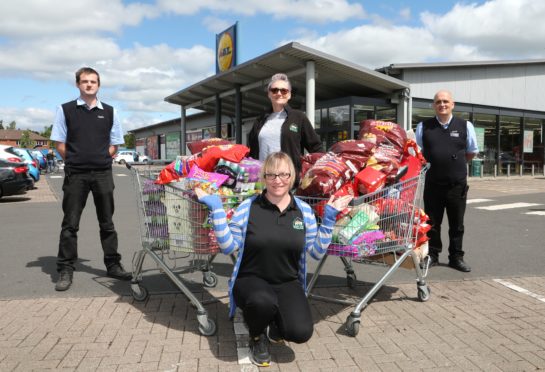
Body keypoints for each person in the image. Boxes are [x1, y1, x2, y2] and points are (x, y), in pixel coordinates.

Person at [195, 152, 352, 367]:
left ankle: (273, 323)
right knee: (262, 302)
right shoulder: (249, 208)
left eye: (284, 175)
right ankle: (257, 337)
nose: (278, 180)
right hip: (251, 279)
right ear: (264, 177)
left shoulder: (303, 211)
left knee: (300, 332)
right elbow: (228, 246)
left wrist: (329, 218)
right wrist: (216, 210)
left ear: (292, 176)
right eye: (271, 175)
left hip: (287, 282)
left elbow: (315, 252)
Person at [50, 67, 132, 291]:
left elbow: (115, 143)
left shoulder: (110, 112)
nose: (89, 85)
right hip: (76, 175)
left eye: (93, 81)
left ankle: (113, 265)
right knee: (70, 224)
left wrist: (103, 156)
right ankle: (66, 269)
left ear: (98, 85)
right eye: (84, 81)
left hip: (103, 174)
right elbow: (59, 142)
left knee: (107, 223)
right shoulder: (65, 109)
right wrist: (76, 160)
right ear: (77, 84)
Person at [415, 90, 479, 272]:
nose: (442, 104)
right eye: (438, 102)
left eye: (445, 101)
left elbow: (471, 151)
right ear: (433, 105)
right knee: (432, 223)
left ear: (452, 104)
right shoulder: (423, 126)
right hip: (433, 184)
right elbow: (418, 153)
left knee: (457, 224)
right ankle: (432, 255)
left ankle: (456, 258)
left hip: (456, 185)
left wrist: (456, 165)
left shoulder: (465, 126)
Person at [248, 73, 322, 185]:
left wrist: (318, 173)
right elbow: (252, 152)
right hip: (263, 181)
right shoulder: (260, 120)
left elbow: (316, 148)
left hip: (289, 182)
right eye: (274, 90)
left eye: (284, 90)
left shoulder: (298, 117)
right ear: (269, 94)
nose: (279, 93)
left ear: (289, 94)